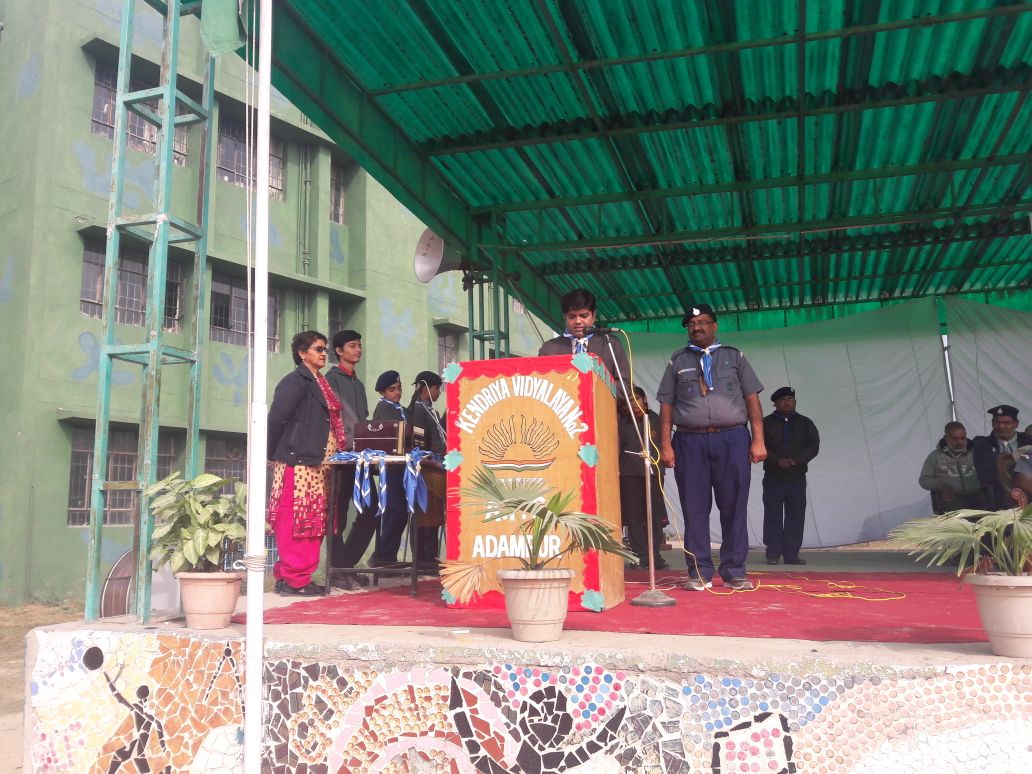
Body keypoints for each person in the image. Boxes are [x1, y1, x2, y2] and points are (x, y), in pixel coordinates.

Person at [657, 303, 766, 592]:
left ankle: (734, 571)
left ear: (714, 326)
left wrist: (758, 439)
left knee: (734, 506)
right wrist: (665, 445)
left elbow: (752, 399)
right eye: (691, 324)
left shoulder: (734, 356)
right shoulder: (677, 361)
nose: (697, 327)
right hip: (689, 441)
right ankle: (699, 572)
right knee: (694, 508)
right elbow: (666, 405)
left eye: (703, 322)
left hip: (732, 439)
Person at [266, 331, 345, 595]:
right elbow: (276, 420)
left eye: (325, 349)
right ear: (302, 353)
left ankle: (295, 577)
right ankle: (294, 580)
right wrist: (271, 453)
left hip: (319, 465)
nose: (324, 354)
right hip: (297, 461)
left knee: (313, 523)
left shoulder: (321, 382)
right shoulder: (294, 382)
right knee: (295, 521)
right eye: (318, 349)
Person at [325, 329, 373, 587]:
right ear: (339, 350)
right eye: (353, 346)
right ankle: (337, 572)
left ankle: (346, 566)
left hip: (361, 459)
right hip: (340, 458)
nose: (359, 350)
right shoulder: (330, 380)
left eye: (359, 345)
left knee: (372, 509)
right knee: (338, 516)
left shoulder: (359, 384)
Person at [761, 387, 820, 565]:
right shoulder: (765, 423)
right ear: (775, 403)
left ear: (795, 402)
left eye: (790, 399)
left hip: (797, 478)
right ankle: (773, 554)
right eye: (783, 400)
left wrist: (795, 460)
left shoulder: (805, 423)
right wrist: (777, 460)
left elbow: (813, 446)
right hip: (773, 477)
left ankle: (791, 554)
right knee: (773, 516)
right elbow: (759, 444)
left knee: (796, 517)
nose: (787, 403)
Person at [617, 386, 669, 570]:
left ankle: (654, 555)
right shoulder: (622, 422)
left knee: (654, 515)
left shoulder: (655, 419)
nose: (634, 404)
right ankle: (639, 555)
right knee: (634, 517)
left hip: (653, 473)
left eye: (636, 399)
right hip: (629, 474)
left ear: (644, 399)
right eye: (629, 401)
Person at [538, 288, 631, 384]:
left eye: (583, 316)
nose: (578, 321)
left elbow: (626, 384)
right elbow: (540, 383)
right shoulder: (548, 349)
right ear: (564, 316)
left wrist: (598, 390)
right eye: (572, 316)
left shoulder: (610, 343)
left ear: (593, 315)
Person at [369, 370, 409, 567]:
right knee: (395, 510)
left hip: (402, 466)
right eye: (392, 389)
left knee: (401, 512)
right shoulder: (384, 408)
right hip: (390, 466)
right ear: (383, 392)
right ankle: (380, 556)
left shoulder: (400, 408)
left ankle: (388, 557)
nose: (397, 392)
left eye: (399, 388)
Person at [408, 370, 447, 570]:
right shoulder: (418, 411)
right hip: (426, 469)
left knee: (435, 515)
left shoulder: (432, 411)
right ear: (426, 389)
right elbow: (419, 444)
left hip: (437, 468)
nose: (439, 392)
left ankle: (431, 557)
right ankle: (423, 559)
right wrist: (431, 460)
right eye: (436, 388)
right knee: (425, 515)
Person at [972, 405, 1032, 510]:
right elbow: (984, 475)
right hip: (998, 502)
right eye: (997, 422)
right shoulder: (983, 445)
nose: (1001, 426)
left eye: (1006, 423)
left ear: (1016, 424)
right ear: (992, 423)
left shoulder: (1027, 440)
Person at [918, 421, 984, 514]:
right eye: (955, 439)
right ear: (946, 438)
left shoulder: (977, 452)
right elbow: (924, 480)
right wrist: (940, 485)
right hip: (950, 506)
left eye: (963, 438)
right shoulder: (935, 456)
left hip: (979, 502)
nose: (959, 442)